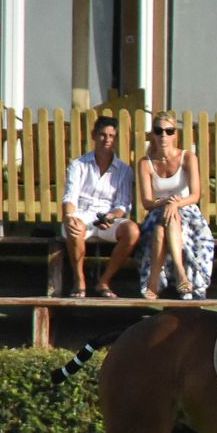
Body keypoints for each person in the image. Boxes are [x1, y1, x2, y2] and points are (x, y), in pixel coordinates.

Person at [135, 111, 214, 300]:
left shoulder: (187, 157)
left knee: (166, 225)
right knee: (161, 225)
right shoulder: (145, 163)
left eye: (169, 131)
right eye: (158, 131)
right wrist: (168, 202)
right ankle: (180, 274)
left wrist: (176, 203)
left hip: (186, 209)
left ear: (174, 134)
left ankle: (153, 284)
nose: (163, 135)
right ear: (153, 134)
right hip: (157, 210)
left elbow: (195, 195)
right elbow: (147, 202)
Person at [61, 116, 140, 298]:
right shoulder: (78, 165)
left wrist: (111, 217)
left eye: (111, 136)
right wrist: (69, 217)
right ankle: (79, 281)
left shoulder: (124, 170)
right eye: (103, 135)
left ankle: (104, 281)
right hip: (82, 214)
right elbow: (70, 197)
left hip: (107, 217)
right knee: (75, 227)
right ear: (94, 136)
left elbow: (122, 204)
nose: (107, 140)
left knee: (132, 231)